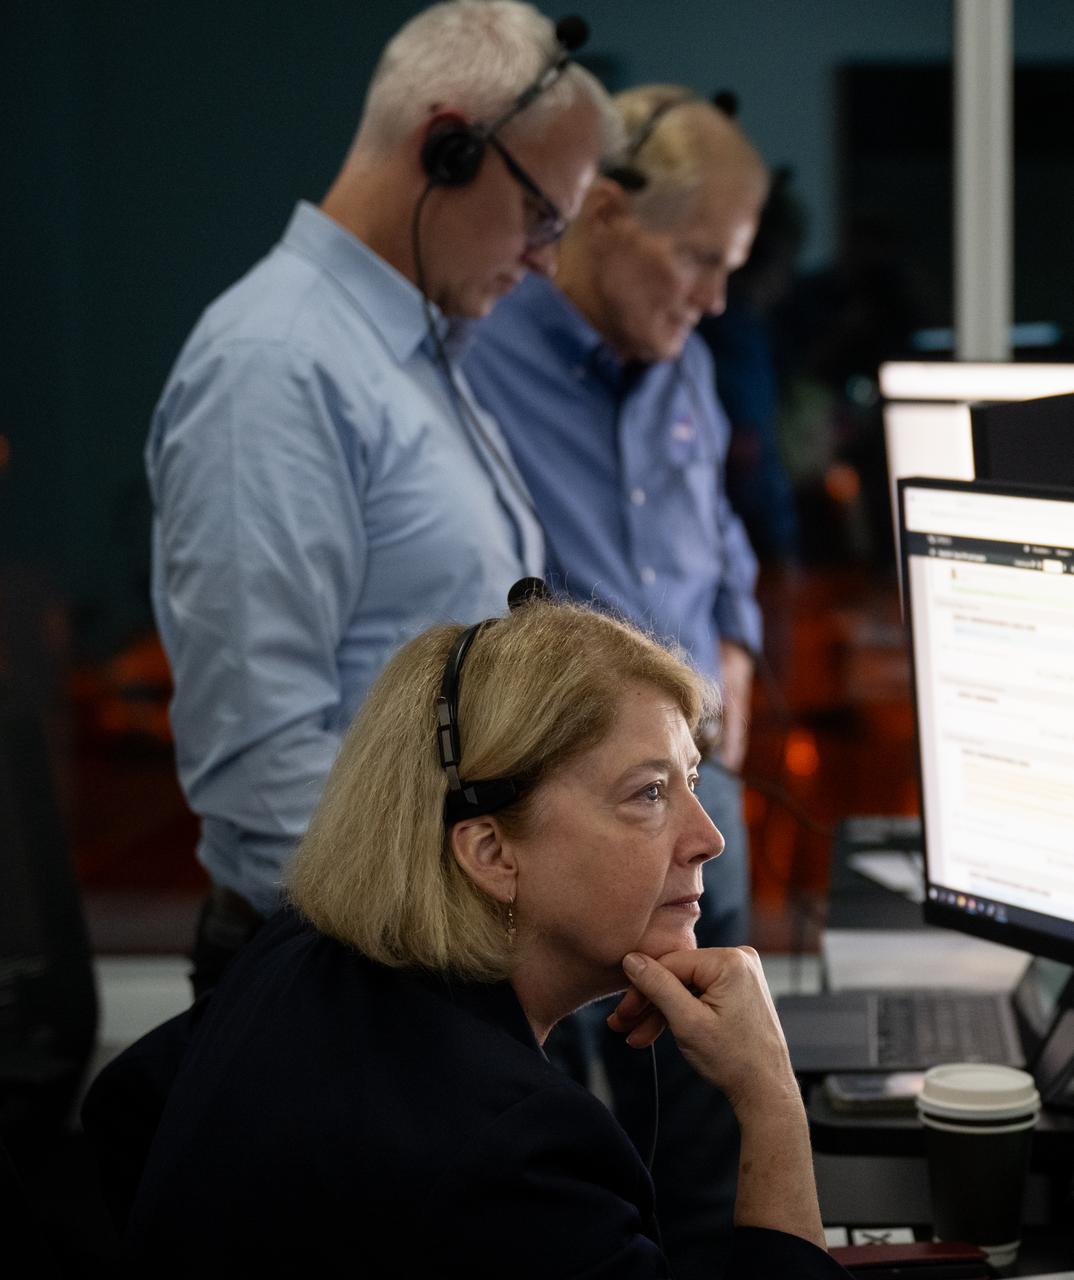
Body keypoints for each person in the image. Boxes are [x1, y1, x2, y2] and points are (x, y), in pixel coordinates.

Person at [83, 589, 848, 1277]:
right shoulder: (515, 1154)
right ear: (490, 852)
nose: (708, 836)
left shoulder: (297, 956)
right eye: (648, 793)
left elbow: (125, 1107)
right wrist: (772, 1098)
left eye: (692, 780)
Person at [144, 1, 616, 995]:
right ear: (446, 146)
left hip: (423, 959)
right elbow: (259, 767)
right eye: (540, 217)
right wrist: (504, 912)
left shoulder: (416, 357)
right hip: (344, 977)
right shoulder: (274, 368)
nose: (542, 261)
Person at [463, 86, 768, 1274]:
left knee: (711, 1149)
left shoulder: (681, 362)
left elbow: (727, 537)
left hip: (707, 821)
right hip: (588, 852)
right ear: (605, 216)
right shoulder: (480, 361)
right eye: (700, 258)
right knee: (600, 1171)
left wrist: (735, 638)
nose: (716, 297)